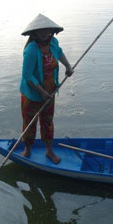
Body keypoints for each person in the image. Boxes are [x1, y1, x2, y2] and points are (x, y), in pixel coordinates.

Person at [19, 14, 74, 164]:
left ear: (51, 31)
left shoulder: (53, 42)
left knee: (47, 122)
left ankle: (49, 151)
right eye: (41, 31)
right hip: (32, 94)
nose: (45, 33)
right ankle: (28, 149)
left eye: (47, 30)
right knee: (29, 122)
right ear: (35, 33)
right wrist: (41, 92)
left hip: (49, 92)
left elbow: (60, 52)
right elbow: (28, 75)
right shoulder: (31, 49)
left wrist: (68, 66)